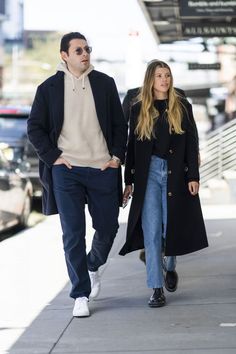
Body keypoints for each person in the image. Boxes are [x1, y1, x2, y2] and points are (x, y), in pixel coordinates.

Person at [27, 32, 127, 318]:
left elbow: (120, 127)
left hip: (102, 168)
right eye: (79, 50)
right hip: (67, 171)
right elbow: (34, 127)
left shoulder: (105, 84)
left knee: (108, 228)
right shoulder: (48, 88)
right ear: (64, 56)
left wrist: (116, 158)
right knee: (73, 234)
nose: (85, 54)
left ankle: (92, 265)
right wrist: (54, 158)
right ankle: (80, 293)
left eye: (87, 49)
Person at [119, 60, 208, 308]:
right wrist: (129, 182)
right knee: (152, 231)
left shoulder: (182, 106)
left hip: (175, 174)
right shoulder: (138, 110)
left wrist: (193, 177)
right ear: (151, 80)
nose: (164, 80)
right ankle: (156, 288)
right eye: (159, 75)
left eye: (167, 75)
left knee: (171, 227)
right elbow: (132, 147)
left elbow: (192, 143)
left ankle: (170, 266)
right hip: (148, 176)